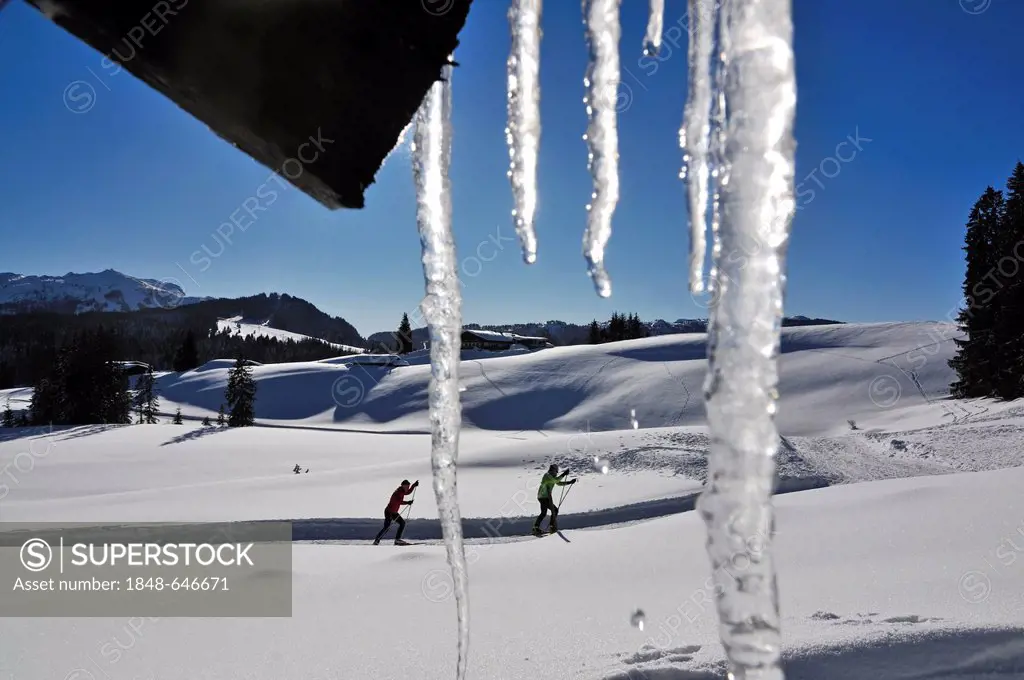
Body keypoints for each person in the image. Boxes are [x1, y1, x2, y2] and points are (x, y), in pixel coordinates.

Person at [373, 479, 419, 545]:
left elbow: (408, 492)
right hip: (389, 512)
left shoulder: (402, 491)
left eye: (408, 486)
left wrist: (413, 485)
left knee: (402, 523)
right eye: (407, 486)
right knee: (387, 527)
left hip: (393, 512)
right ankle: (377, 540)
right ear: (403, 485)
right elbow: (399, 501)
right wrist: (407, 502)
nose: (408, 488)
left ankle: (397, 540)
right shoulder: (398, 492)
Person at [533, 464, 576, 535]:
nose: (556, 473)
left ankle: (536, 528)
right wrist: (564, 474)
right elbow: (555, 481)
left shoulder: (551, 477)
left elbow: (558, 483)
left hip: (543, 496)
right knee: (554, 510)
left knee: (544, 513)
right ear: (553, 470)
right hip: (544, 497)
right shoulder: (547, 476)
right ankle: (552, 527)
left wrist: (569, 482)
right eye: (556, 471)